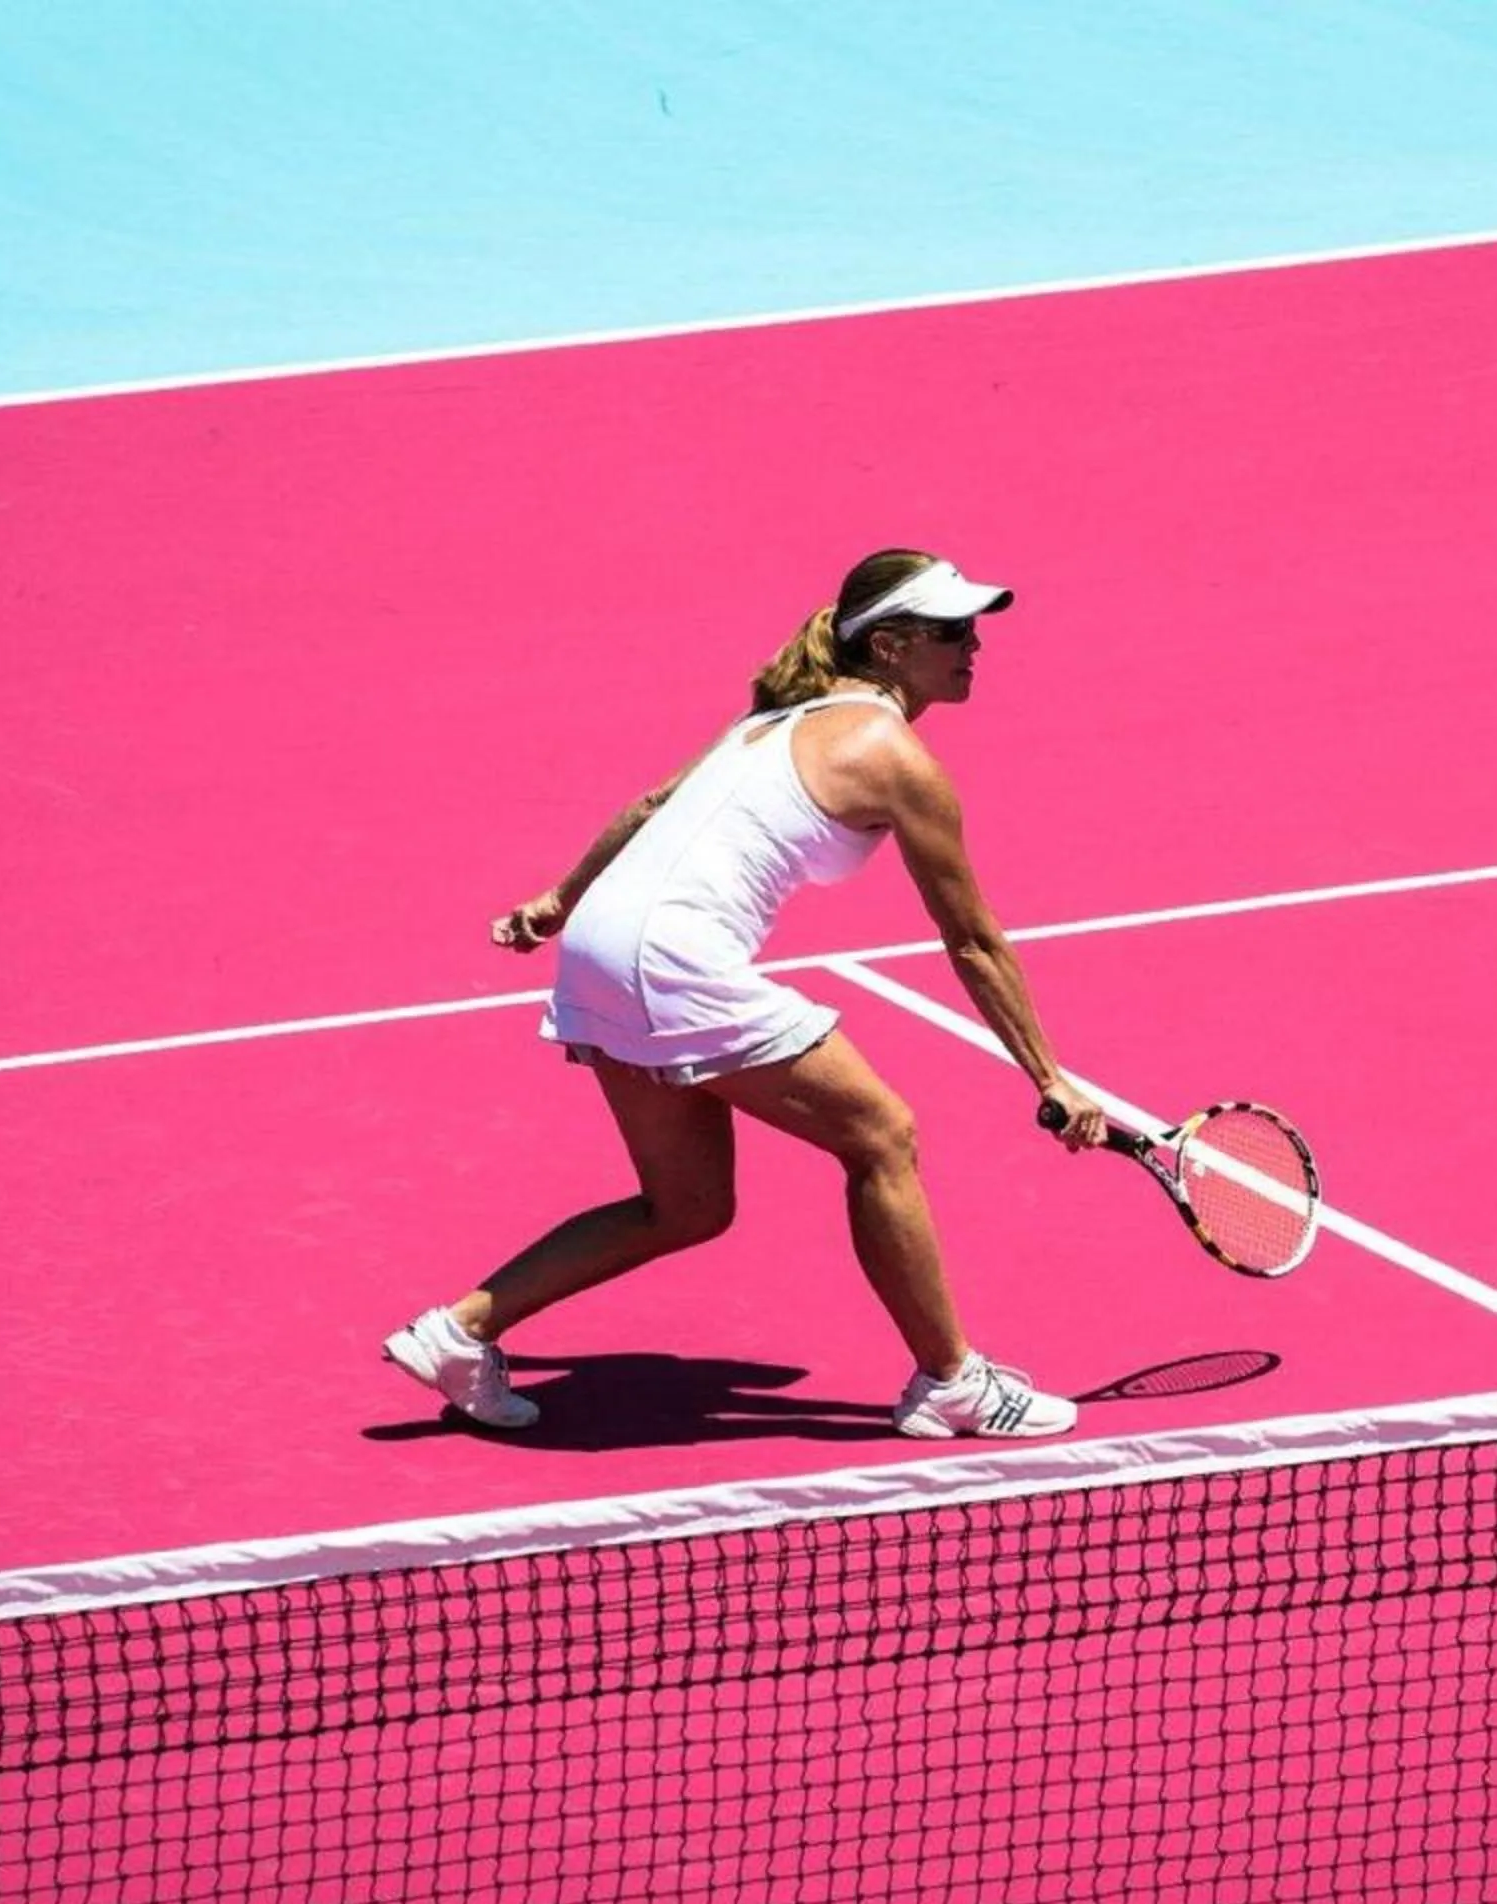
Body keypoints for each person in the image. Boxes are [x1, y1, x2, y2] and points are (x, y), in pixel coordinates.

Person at [383, 549, 1109, 1439]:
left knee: (686, 1206)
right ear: (889, 647)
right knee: (882, 1136)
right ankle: (952, 1382)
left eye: (974, 629)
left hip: (600, 950)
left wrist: (559, 903)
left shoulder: (770, 720)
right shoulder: (894, 756)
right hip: (674, 959)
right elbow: (972, 939)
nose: (974, 646)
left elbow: (653, 805)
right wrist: (1050, 1077)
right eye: (951, 631)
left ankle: (457, 1334)